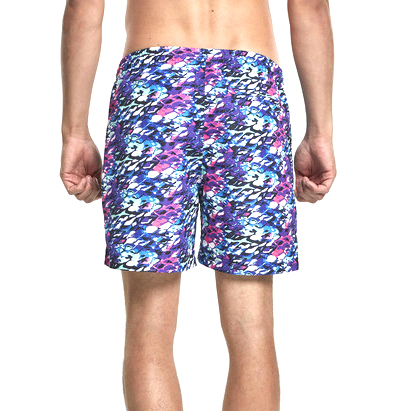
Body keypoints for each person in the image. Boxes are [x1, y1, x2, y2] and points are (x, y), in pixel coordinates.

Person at [60, 0, 336, 409]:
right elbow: (310, 7)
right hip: (248, 88)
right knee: (252, 328)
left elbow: (84, 7)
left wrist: (74, 132)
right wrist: (320, 134)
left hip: (155, 87)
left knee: (149, 323)